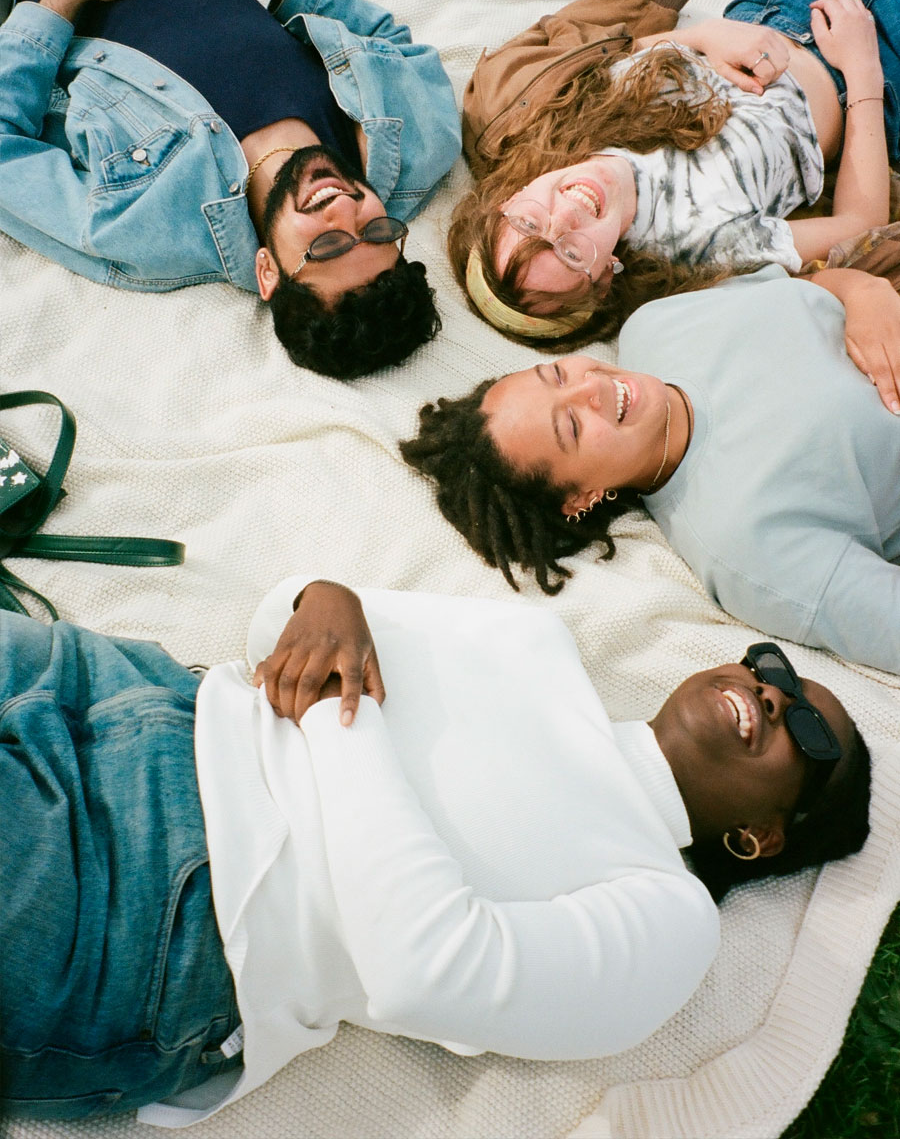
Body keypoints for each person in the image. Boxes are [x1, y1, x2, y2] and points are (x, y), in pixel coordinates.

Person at [1, 576, 871, 1123]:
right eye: (775, 669)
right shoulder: (539, 644)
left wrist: (336, 713)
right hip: (134, 692)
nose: (772, 690)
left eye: (809, 730)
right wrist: (328, 594)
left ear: (760, 840)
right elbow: (290, 624)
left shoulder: (670, 921)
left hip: (172, 904)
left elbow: (425, 967)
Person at [400, 264, 900, 674]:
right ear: (582, 497)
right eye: (571, 426)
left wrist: (865, 290)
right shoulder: (746, 546)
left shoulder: (654, 325)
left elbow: (811, 284)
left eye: (556, 375)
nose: (588, 387)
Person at [0, 0, 462, 378]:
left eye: (328, 246)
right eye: (376, 231)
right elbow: (387, 37)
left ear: (267, 271)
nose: (344, 209)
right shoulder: (414, 146)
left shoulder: (145, 228)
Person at [452, 0, 897, 352]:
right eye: (570, 253)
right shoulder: (699, 250)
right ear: (605, 277)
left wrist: (705, 37)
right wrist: (862, 71)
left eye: (530, 223)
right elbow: (861, 223)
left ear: (507, 201)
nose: (568, 213)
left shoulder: (556, 132)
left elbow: (637, 50)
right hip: (877, 64)